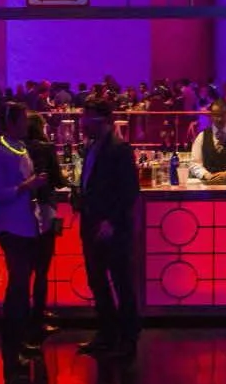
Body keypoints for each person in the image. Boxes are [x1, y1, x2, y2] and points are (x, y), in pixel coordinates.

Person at [0, 102, 48, 373]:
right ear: (10, 123)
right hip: (10, 226)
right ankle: (14, 342)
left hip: (26, 224)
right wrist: (27, 186)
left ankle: (19, 341)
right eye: (22, 120)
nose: (27, 125)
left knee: (22, 283)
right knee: (18, 285)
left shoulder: (19, 149)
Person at [75, 99, 141, 358]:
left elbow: (129, 192)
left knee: (121, 282)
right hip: (91, 223)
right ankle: (107, 334)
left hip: (112, 228)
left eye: (86, 119)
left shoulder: (119, 149)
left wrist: (111, 221)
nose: (82, 124)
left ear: (102, 121)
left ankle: (128, 338)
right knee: (97, 281)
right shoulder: (92, 147)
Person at [25, 113, 71, 338]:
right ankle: (38, 316)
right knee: (43, 266)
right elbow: (57, 180)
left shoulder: (18, 147)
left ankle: (28, 314)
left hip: (22, 211)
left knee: (25, 268)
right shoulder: (46, 148)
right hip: (46, 208)